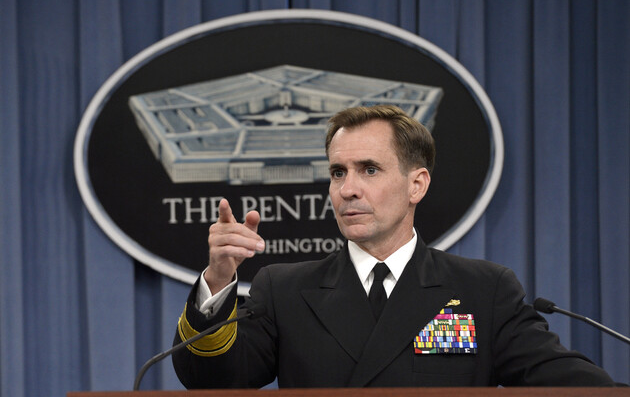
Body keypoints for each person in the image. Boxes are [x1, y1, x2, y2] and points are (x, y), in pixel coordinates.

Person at [172, 105, 615, 388]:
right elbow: (211, 380)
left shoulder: (482, 291)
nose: (347, 189)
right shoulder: (284, 289)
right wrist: (219, 278)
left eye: (369, 170)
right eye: (338, 172)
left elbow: (569, 384)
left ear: (416, 184)